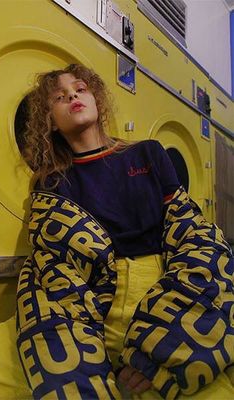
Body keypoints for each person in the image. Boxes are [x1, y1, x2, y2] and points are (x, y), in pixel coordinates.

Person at [16, 63, 234, 400]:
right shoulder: (51, 183)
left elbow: (187, 230)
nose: (73, 95)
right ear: (50, 122)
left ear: (97, 100)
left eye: (80, 88)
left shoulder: (147, 152)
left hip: (163, 284)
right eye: (59, 97)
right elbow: (57, 267)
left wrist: (157, 348)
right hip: (96, 296)